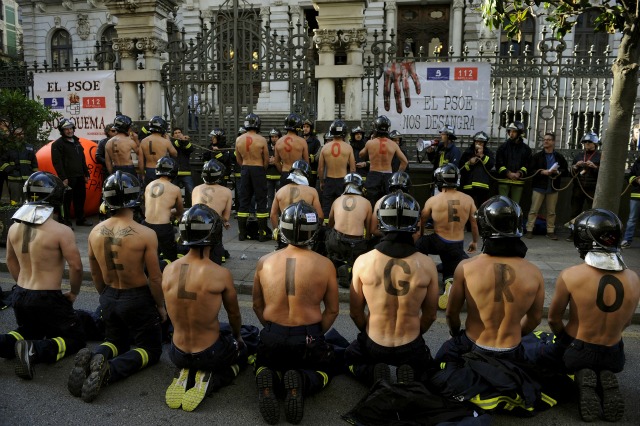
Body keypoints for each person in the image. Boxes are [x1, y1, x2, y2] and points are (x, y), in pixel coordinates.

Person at [69, 171, 166, 403]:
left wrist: (105, 295)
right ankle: (109, 371)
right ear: (136, 198)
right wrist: (161, 307)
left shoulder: (94, 232)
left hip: (109, 294)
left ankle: (96, 355)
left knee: (115, 340)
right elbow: (155, 278)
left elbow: (93, 272)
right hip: (138, 298)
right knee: (150, 349)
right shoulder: (146, 234)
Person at [546, 209, 640, 422]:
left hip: (577, 348)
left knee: (546, 357)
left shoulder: (571, 275)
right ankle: (604, 373)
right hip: (614, 353)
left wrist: (565, 341)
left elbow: (553, 319)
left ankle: (582, 373)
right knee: (608, 349)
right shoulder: (634, 278)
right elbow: (625, 322)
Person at [252, 201, 339, 425]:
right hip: (308, 337)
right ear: (313, 232)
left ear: (282, 229)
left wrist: (271, 328)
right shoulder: (325, 264)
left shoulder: (264, 261)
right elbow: (332, 310)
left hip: (272, 334)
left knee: (261, 362)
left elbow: (256, 305)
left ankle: (268, 376)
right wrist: (316, 334)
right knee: (326, 368)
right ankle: (301, 379)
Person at [346, 190, 438, 385]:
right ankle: (411, 370)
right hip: (411, 344)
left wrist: (367, 332)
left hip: (374, 342)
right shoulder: (427, 264)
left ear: (381, 222)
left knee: (346, 360)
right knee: (430, 370)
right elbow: (430, 315)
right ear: (415, 225)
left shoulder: (363, 261)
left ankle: (373, 371)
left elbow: (355, 312)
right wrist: (415, 334)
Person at [437, 195, 543, 363]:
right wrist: (516, 334)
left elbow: (451, 314)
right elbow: (535, 319)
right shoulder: (534, 272)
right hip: (512, 350)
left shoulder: (465, 268)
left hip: (474, 345)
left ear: (483, 227)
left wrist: (456, 335)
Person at [0, 172, 85, 379]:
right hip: (47, 297)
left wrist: (21, 284)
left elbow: (10, 260)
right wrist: (73, 293)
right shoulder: (61, 231)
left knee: (32, 330)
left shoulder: (13, 228)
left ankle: (7, 344)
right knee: (75, 338)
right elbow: (76, 267)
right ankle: (34, 351)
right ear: (56, 198)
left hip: (20, 295)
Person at [162, 204, 245, 412]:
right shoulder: (220, 274)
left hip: (176, 352)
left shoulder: (169, 270)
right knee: (247, 343)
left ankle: (185, 371)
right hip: (210, 353)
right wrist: (238, 338)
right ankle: (212, 379)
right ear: (215, 235)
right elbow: (234, 314)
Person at [415, 164, 479, 309]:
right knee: (452, 263)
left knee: (419, 246)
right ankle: (449, 282)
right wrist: (475, 241)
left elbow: (422, 222)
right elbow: (474, 224)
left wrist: (421, 237)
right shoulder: (468, 199)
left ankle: (422, 273)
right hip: (456, 243)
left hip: (437, 240)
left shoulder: (433, 200)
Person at [326, 173, 371, 289]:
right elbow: (369, 230)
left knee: (327, 235)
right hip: (357, 245)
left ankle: (339, 264)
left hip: (338, 242)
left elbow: (330, 224)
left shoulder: (337, 200)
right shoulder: (367, 203)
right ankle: (352, 266)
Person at [524, 132, 569, 240]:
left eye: (548, 139)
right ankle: (529, 230)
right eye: (544, 139)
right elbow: (530, 170)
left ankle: (550, 231)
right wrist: (542, 172)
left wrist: (557, 172)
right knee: (534, 210)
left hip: (553, 187)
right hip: (539, 186)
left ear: (553, 142)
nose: (545, 141)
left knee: (551, 212)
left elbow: (565, 171)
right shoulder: (537, 156)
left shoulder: (559, 156)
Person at [51, 118, 92, 227]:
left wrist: (86, 173)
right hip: (68, 178)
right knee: (66, 201)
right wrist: (63, 177)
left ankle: (81, 219)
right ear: (62, 131)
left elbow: (82, 159)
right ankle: (65, 222)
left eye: (70, 128)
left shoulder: (77, 142)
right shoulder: (57, 144)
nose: (69, 131)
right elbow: (57, 162)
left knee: (80, 199)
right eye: (66, 129)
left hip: (79, 176)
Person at [359, 116, 408, 206]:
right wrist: (397, 174)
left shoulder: (370, 143)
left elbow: (361, 155)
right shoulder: (393, 144)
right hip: (388, 176)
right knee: (388, 204)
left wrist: (370, 141)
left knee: (371, 203)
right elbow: (405, 161)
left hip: (374, 175)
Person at [143, 156, 184, 264]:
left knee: (149, 257)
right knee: (171, 258)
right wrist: (171, 212)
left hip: (146, 225)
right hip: (163, 227)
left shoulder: (149, 185)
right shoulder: (175, 189)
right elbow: (180, 211)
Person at [235, 113, 270, 241]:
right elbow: (266, 159)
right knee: (261, 200)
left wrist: (245, 166)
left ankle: (242, 234)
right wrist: (261, 168)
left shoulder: (239, 139)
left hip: (245, 169)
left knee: (244, 200)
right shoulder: (261, 140)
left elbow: (238, 158)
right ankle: (262, 234)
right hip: (258, 169)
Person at [270, 160, 322, 243]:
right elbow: (320, 216)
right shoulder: (312, 192)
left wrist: (277, 231)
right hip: (305, 235)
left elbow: (273, 215)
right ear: (307, 175)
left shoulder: (280, 191)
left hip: (285, 234)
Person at [191, 160, 233, 264]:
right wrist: (224, 221)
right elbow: (226, 217)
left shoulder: (196, 189)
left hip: (194, 226)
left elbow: (194, 210)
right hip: (212, 229)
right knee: (215, 258)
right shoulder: (226, 191)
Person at [567, 132, 602, 242]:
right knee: (574, 212)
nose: (586, 144)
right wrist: (576, 166)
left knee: (592, 213)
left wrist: (594, 167)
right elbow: (571, 173)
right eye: (585, 142)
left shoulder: (600, 156)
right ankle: (573, 233)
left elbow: (604, 174)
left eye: (589, 142)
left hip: (592, 189)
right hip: (578, 188)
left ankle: (591, 235)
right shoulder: (578, 156)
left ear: (595, 144)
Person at [318, 120, 356, 221]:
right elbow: (352, 168)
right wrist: (351, 183)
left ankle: (326, 230)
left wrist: (322, 181)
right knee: (343, 206)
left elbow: (321, 168)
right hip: (343, 181)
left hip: (329, 180)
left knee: (327, 207)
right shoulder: (348, 148)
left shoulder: (325, 148)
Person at [495, 121, 532, 204]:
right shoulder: (502, 148)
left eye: (514, 131)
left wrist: (520, 173)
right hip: (504, 181)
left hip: (518, 181)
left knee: (515, 206)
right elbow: (498, 164)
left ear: (519, 133)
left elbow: (527, 164)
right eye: (510, 131)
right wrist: (508, 173)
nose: (511, 134)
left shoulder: (526, 149)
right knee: (502, 205)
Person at [0, 127, 38, 205]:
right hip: (14, 179)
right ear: (14, 135)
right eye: (18, 134)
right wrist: (10, 170)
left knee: (27, 202)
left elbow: (34, 163)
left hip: (27, 180)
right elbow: (2, 161)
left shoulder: (29, 147)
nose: (20, 136)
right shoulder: (9, 147)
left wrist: (34, 177)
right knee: (14, 202)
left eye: (22, 134)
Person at [458, 131, 494, 210]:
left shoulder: (488, 153)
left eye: (481, 142)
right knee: (468, 209)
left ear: (485, 143)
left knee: (481, 209)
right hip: (468, 186)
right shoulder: (468, 152)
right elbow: (461, 168)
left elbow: (490, 165)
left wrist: (482, 156)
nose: (479, 144)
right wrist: (470, 162)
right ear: (474, 142)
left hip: (482, 187)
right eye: (477, 142)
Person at [139, 116, 177, 187]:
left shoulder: (143, 141)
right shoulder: (165, 142)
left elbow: (140, 161)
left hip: (149, 170)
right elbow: (174, 154)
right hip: (162, 170)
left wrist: (142, 174)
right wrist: (168, 140)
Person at [274, 113, 309, 189]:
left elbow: (276, 161)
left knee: (284, 198)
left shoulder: (279, 142)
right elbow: (306, 162)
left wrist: (283, 171)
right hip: (298, 173)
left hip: (285, 172)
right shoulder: (302, 141)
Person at [171, 127, 195, 207]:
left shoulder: (185, 142)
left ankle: (191, 207)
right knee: (172, 192)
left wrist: (185, 142)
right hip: (174, 172)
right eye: (176, 133)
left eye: (179, 132)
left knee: (191, 191)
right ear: (173, 136)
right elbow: (176, 145)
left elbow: (191, 149)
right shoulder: (171, 143)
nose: (177, 134)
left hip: (186, 171)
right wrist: (181, 140)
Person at [621, 155, 640, 248]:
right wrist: (636, 180)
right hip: (636, 195)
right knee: (632, 219)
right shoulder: (638, 162)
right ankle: (627, 240)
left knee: (632, 219)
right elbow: (629, 176)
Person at [302, 119, 322, 189]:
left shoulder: (316, 141)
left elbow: (317, 157)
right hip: (300, 172)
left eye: (307, 127)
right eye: (304, 127)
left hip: (311, 172)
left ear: (311, 129)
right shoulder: (299, 140)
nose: (305, 129)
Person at [266, 128, 282, 211]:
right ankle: (270, 210)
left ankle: (279, 210)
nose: (274, 138)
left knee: (280, 195)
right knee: (270, 195)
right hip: (268, 175)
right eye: (272, 137)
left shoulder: (282, 147)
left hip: (279, 175)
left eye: (276, 136)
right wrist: (268, 161)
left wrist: (276, 161)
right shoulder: (266, 147)